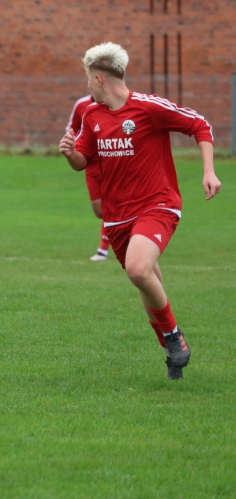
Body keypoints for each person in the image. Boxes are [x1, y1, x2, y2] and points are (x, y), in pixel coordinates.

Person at [59, 41, 220, 380]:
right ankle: (172, 353)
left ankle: (174, 338)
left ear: (99, 79)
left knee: (137, 269)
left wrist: (209, 171)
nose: (87, 85)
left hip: (157, 204)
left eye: (88, 79)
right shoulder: (92, 115)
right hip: (118, 216)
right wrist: (70, 152)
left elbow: (199, 125)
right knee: (147, 281)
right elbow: (82, 162)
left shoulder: (148, 107)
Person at [66, 93, 111, 261]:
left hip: (111, 162)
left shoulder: (115, 102)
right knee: (99, 210)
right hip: (91, 165)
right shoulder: (81, 104)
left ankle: (103, 249)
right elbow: (71, 129)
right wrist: (76, 147)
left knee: (110, 206)